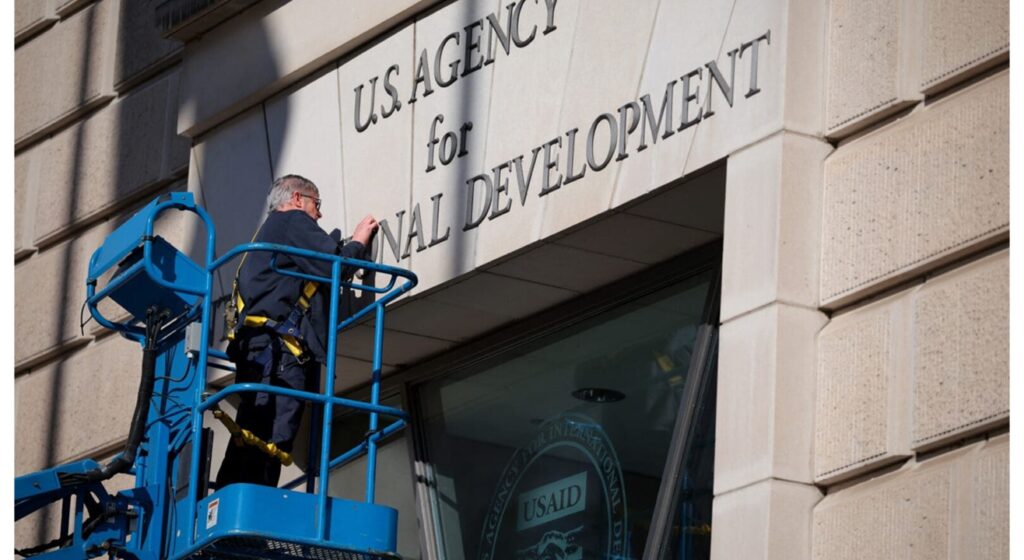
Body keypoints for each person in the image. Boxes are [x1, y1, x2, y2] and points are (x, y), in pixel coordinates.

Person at [215, 174, 379, 488]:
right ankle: (252, 517)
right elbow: (335, 266)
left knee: (250, 435)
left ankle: (230, 509)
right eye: (317, 204)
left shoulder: (267, 236)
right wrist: (358, 242)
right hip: (278, 355)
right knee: (270, 439)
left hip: (260, 353)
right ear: (296, 199)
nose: (320, 214)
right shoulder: (291, 222)